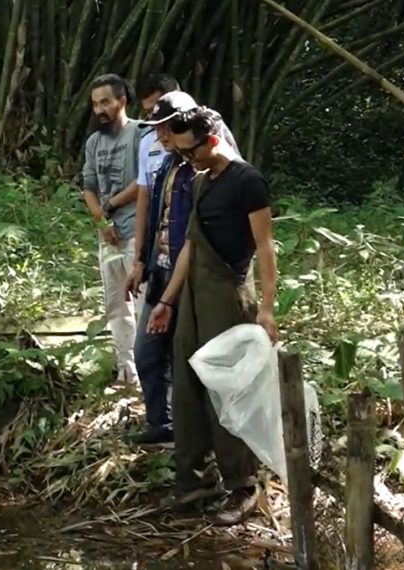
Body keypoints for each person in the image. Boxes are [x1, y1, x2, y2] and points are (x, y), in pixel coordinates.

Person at [146, 106, 279, 526]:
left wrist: (268, 308)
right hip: (193, 298)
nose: (187, 160)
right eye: (182, 154)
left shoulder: (248, 181)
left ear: (213, 139)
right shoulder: (200, 182)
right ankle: (195, 480)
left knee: (228, 391)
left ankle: (243, 487)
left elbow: (265, 247)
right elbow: (190, 247)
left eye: (190, 151)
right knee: (186, 387)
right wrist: (167, 302)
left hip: (228, 295)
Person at [123, 90, 242, 446]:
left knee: (187, 356)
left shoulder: (207, 169)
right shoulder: (169, 164)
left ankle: (198, 436)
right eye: (157, 128)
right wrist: (140, 260)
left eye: (167, 128)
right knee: (146, 352)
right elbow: (155, 211)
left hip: (192, 277)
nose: (160, 136)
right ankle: (162, 424)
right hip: (159, 271)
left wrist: (172, 297)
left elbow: (197, 235)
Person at [81, 73, 147, 386]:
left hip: (137, 230)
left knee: (144, 303)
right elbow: (89, 187)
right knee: (115, 305)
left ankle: (151, 370)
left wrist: (111, 207)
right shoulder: (94, 142)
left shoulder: (142, 134)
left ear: (122, 101)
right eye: (95, 104)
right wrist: (101, 221)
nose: (99, 110)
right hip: (108, 236)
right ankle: (127, 370)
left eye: (105, 102)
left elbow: (145, 182)